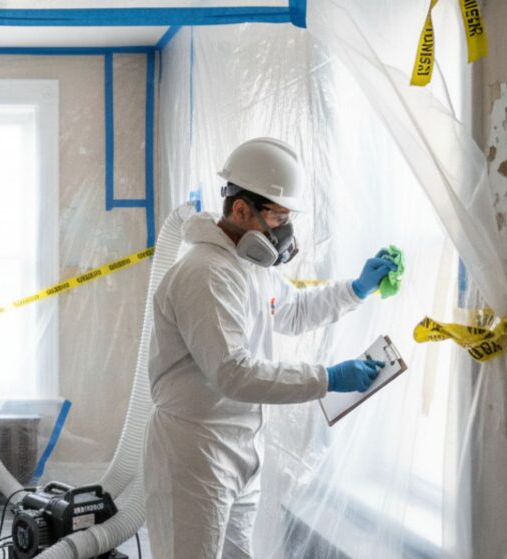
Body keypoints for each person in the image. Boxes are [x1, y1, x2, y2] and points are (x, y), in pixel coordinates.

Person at [143, 138, 398, 558]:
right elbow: (234, 373)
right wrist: (328, 378)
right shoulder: (206, 273)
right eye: (278, 217)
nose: (285, 231)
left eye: (287, 218)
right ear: (241, 210)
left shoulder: (248, 266)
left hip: (240, 446)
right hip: (195, 450)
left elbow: (292, 311)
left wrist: (356, 289)